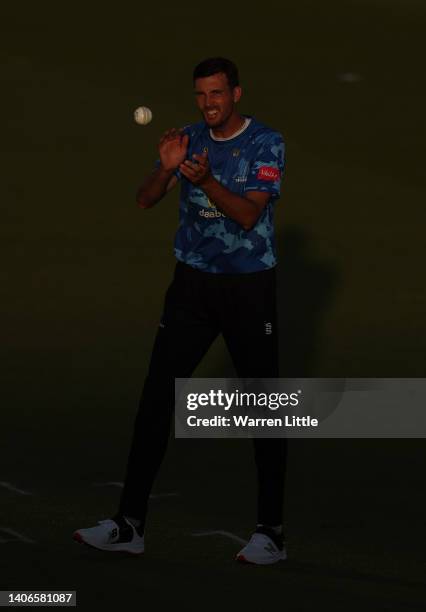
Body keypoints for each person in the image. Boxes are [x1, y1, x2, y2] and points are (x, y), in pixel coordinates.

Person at [73, 57, 287, 565]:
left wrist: (207, 181)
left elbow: (249, 214)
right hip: (191, 287)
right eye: (201, 95)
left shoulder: (265, 144)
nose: (208, 103)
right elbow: (146, 199)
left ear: (236, 93)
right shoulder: (187, 138)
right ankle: (129, 525)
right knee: (155, 401)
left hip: (247, 287)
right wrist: (167, 168)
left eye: (217, 94)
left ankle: (271, 534)